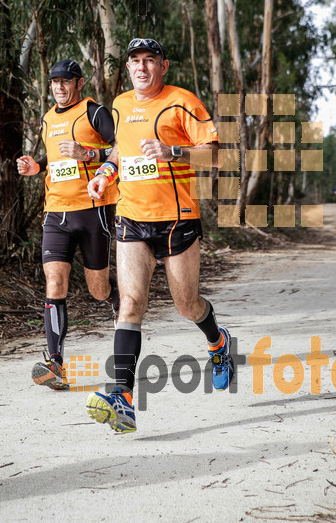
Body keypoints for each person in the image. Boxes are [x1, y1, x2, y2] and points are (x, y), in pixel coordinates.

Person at [85, 37, 234, 434]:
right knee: (130, 302)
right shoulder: (119, 105)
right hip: (132, 217)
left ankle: (218, 343)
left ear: (163, 66)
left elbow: (216, 154)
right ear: (129, 67)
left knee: (187, 305)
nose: (142, 67)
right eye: (135, 61)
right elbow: (120, 151)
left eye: (150, 60)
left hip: (177, 219)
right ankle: (123, 397)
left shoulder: (183, 101)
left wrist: (173, 151)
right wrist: (103, 174)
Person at [17, 59, 119, 389]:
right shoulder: (47, 118)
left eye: (65, 81)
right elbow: (55, 159)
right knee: (54, 283)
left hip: (94, 209)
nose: (59, 87)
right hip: (56, 212)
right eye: (54, 82)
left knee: (98, 290)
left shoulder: (95, 112)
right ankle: (55, 363)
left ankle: (119, 301)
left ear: (78, 84)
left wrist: (87, 153)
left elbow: (121, 149)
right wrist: (37, 166)